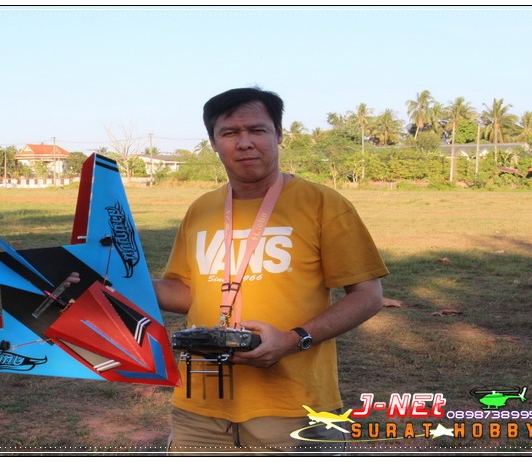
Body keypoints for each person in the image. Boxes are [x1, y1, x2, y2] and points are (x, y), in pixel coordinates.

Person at [153, 87, 389, 454]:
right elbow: (187, 294)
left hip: (294, 407)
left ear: (278, 134)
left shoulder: (322, 204)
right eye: (230, 133)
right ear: (213, 142)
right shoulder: (202, 209)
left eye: (257, 130)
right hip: (198, 410)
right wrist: (119, 283)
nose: (244, 142)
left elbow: (368, 297)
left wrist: (294, 340)